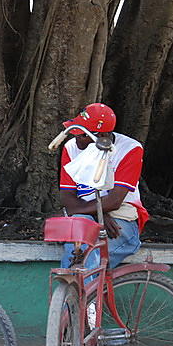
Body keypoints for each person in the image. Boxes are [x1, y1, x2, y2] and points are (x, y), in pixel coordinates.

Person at [59, 103, 149, 270]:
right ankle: (74, 292)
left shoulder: (130, 149)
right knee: (80, 235)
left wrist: (101, 213)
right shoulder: (70, 148)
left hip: (121, 220)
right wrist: (98, 215)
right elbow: (67, 199)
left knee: (87, 258)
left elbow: (114, 201)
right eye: (76, 133)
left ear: (103, 136)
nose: (77, 139)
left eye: (83, 135)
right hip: (87, 214)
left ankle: (79, 293)